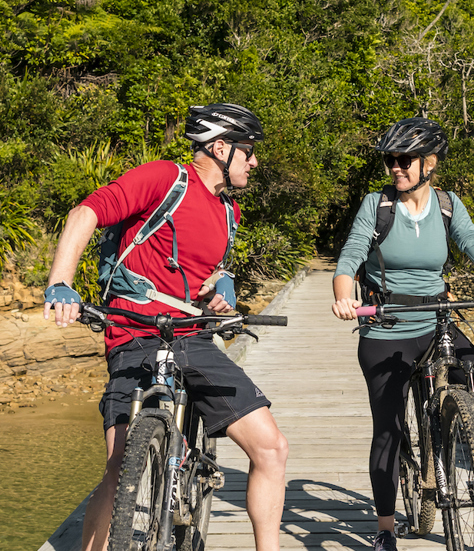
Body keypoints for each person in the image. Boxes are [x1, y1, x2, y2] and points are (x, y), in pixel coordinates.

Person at [43, 103, 289, 551]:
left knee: (271, 449)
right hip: (134, 331)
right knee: (120, 468)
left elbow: (206, 272)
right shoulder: (165, 179)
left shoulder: (229, 213)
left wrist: (221, 290)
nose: (254, 162)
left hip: (191, 336)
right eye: (247, 151)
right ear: (219, 148)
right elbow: (86, 213)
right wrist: (60, 283)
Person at [330, 117, 474, 551]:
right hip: (385, 328)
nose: (394, 168)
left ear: (429, 163)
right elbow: (350, 257)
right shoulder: (375, 205)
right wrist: (344, 297)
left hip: (438, 321)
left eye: (403, 160)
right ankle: (384, 528)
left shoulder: (448, 205)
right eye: (389, 160)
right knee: (389, 431)